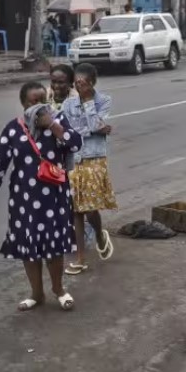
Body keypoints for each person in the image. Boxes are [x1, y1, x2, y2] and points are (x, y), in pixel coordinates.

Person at [0, 82, 82, 311]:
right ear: (23, 104)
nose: (39, 107)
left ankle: (58, 289)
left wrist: (54, 126)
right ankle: (36, 293)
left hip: (54, 197)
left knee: (54, 245)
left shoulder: (58, 121)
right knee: (29, 247)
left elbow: (75, 144)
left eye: (43, 101)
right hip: (24, 199)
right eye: (33, 102)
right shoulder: (14, 128)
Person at [61, 63, 116, 275]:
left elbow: (94, 126)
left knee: (90, 207)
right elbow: (69, 133)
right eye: (76, 82)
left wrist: (89, 104)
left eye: (82, 82)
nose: (78, 86)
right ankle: (81, 259)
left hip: (94, 158)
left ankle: (100, 235)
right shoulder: (68, 104)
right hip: (74, 159)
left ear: (92, 83)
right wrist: (98, 129)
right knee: (76, 208)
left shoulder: (104, 100)